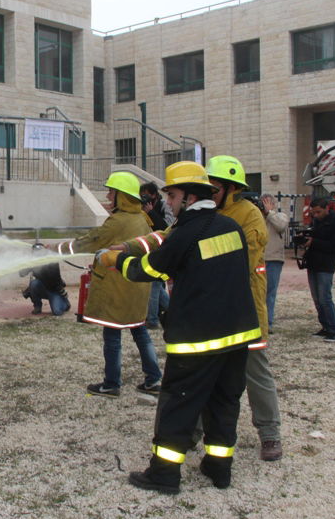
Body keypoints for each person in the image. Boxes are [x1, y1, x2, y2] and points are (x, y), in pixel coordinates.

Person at [96, 161, 260, 494]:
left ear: (187, 197)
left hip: (199, 339)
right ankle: (219, 468)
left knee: (178, 404)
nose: (167, 202)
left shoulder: (188, 231)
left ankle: (164, 475)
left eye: (171, 195)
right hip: (239, 334)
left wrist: (113, 260)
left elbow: (149, 269)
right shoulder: (229, 227)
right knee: (224, 403)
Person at [55, 172, 162, 398]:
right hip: (137, 289)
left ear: (121, 196)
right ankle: (153, 379)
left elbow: (92, 241)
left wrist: (59, 248)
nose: (107, 195)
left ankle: (111, 384)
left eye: (111, 192)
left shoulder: (117, 221)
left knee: (112, 337)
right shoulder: (142, 219)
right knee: (140, 332)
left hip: (117, 290)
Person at [205, 155, 282, 462]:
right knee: (206, 371)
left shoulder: (249, 215)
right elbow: (175, 241)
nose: (208, 193)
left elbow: (242, 256)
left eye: (213, 187)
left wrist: (198, 256)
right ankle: (197, 428)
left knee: (256, 373)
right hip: (213, 308)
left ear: (229, 187)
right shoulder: (206, 214)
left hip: (246, 310)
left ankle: (270, 434)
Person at [303, 197, 335, 342]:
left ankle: (334, 329)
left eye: (318, 212)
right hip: (313, 263)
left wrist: (314, 242)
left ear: (327, 208)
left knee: (325, 298)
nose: (316, 215)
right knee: (317, 299)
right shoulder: (316, 222)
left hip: (326, 266)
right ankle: (325, 326)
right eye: (313, 213)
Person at [140, 182, 172, 329]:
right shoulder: (144, 209)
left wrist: (152, 212)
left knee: (154, 283)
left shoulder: (165, 205)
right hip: (151, 250)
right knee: (157, 285)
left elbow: (167, 228)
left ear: (154, 194)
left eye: (146, 195)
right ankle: (174, 312)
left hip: (164, 250)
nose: (144, 199)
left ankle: (152, 320)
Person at [261, 193, 290, 331]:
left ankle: (268, 323)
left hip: (273, 260)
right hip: (258, 259)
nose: (264, 205)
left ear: (273, 204)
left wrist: (269, 213)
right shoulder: (257, 217)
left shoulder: (280, 216)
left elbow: (281, 226)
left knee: (270, 292)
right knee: (257, 291)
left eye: (267, 202)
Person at [19, 244, 71, 316]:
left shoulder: (52, 261)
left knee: (57, 312)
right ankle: (37, 306)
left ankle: (65, 302)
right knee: (34, 284)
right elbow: (21, 274)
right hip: (42, 288)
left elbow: (54, 278)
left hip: (54, 290)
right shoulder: (33, 262)